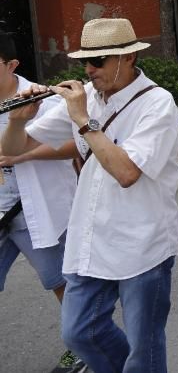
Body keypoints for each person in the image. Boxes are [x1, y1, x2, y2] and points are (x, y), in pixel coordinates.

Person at [3, 18, 178, 372]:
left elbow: (126, 172)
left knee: (143, 348)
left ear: (128, 57)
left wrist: (83, 120)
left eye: (99, 61)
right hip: (93, 238)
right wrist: (18, 120)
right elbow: (12, 149)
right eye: (85, 61)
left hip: (142, 243)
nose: (89, 69)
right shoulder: (86, 97)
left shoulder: (158, 105)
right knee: (79, 333)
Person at [0, 32, 82, 372]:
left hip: (40, 211)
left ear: (12, 64)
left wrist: (18, 157)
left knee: (60, 282)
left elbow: (74, 146)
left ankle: (79, 345)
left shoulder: (42, 99)